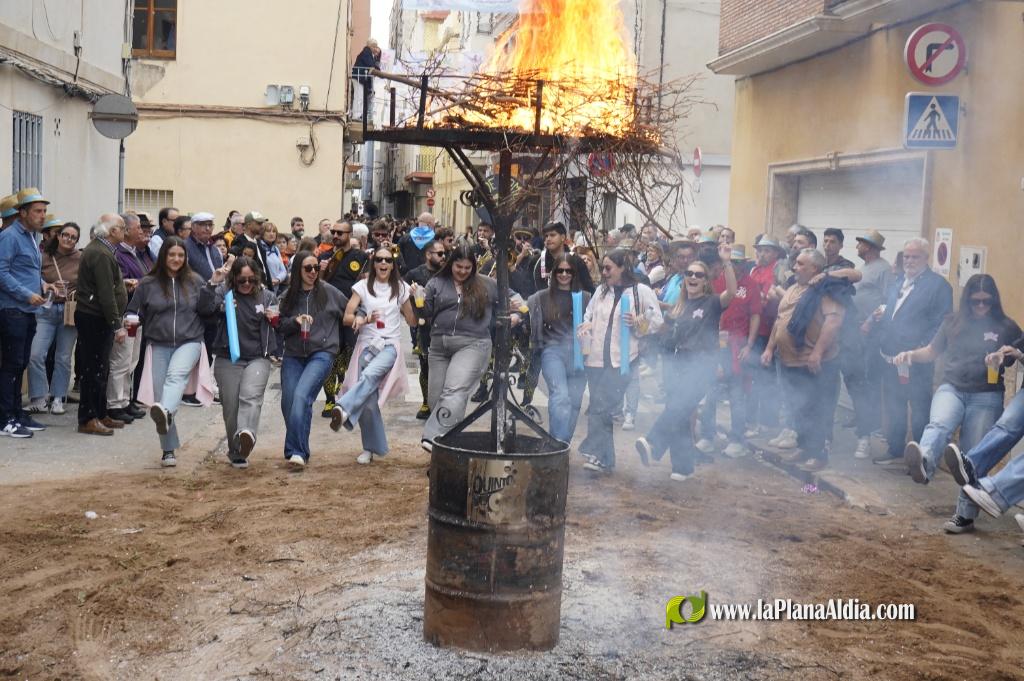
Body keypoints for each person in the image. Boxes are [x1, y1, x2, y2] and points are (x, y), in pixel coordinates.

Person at [894, 274, 1020, 492]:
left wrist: (1011, 353)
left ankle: (965, 513)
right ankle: (924, 462)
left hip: (987, 395)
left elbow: (1020, 351)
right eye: (975, 301)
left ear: (994, 300)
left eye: (986, 301)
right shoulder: (951, 321)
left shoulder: (1006, 325)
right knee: (939, 425)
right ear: (967, 300)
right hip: (951, 388)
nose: (981, 306)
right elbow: (932, 351)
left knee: (972, 456)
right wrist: (910, 355)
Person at [635, 245, 733, 480]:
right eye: (690, 273)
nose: (693, 277)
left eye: (699, 274)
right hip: (677, 365)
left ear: (706, 281)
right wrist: (643, 326)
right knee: (679, 414)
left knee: (678, 408)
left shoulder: (712, 302)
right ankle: (683, 467)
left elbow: (731, 291)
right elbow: (662, 331)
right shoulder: (679, 306)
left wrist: (727, 262)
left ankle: (653, 444)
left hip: (701, 366)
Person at [419, 244, 524, 451]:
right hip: (439, 345)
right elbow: (425, 313)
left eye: (468, 268)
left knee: (454, 390)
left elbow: (516, 298)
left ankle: (433, 440)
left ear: (474, 267)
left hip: (473, 343)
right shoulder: (436, 283)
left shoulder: (486, 284)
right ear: (451, 264)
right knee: (436, 399)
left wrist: (517, 314)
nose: (463, 272)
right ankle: (449, 444)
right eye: (459, 267)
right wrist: (418, 298)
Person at [128, 237, 223, 465]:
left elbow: (207, 309)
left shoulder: (195, 280)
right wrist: (128, 321)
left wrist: (212, 285)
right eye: (172, 255)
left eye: (180, 255)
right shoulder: (148, 283)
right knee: (162, 401)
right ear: (163, 256)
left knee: (175, 379)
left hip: (189, 340)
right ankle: (168, 449)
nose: (176, 259)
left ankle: (166, 415)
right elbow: (133, 311)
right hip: (158, 343)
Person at [576, 249, 663, 472]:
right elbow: (588, 315)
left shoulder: (640, 291)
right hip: (595, 359)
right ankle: (605, 459)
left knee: (603, 407)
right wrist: (586, 326)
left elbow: (657, 322)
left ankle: (597, 453)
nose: (604, 272)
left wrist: (637, 322)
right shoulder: (601, 292)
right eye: (603, 268)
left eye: (608, 268)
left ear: (623, 267)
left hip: (623, 360)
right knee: (597, 407)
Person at [761, 249, 847, 472]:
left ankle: (818, 454)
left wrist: (817, 352)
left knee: (817, 409)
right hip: (789, 361)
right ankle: (804, 447)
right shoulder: (791, 288)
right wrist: (770, 348)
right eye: (795, 263)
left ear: (814, 269)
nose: (794, 267)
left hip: (815, 362)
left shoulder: (825, 290)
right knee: (797, 408)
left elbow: (834, 322)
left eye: (800, 264)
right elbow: (780, 321)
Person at [331, 248, 417, 464]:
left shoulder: (402, 288)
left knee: (369, 375)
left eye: (388, 259)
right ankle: (371, 448)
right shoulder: (362, 287)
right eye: (379, 259)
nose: (384, 263)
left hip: (390, 346)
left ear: (393, 264)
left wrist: (416, 298)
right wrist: (363, 319)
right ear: (373, 262)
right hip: (366, 346)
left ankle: (343, 407)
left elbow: (412, 321)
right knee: (369, 401)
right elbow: (346, 318)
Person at [871, 237, 953, 466]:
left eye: (915, 256)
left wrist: (922, 350)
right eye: (906, 256)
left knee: (919, 409)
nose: (909, 260)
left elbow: (941, 323)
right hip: (890, 357)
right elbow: (893, 312)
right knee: (895, 405)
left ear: (926, 258)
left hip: (917, 360)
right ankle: (895, 449)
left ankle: (921, 457)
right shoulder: (898, 282)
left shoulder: (939, 286)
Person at [278, 251, 349, 467]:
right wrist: (294, 322)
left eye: (316, 268)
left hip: (322, 352)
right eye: (307, 268)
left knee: (302, 396)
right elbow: (279, 325)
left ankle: (297, 452)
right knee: (289, 402)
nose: (312, 272)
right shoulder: (287, 296)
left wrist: (358, 322)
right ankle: (295, 450)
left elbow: (352, 309)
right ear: (297, 270)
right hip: (293, 354)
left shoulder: (329, 292)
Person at [210, 257, 278, 468]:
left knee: (251, 396)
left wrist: (274, 317)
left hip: (258, 356)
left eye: (251, 280)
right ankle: (237, 450)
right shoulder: (224, 293)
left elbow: (279, 320)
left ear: (257, 278)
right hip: (228, 356)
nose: (246, 284)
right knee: (230, 405)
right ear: (233, 279)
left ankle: (247, 434)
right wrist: (222, 306)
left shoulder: (266, 296)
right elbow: (206, 308)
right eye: (241, 280)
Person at [0, 188, 52, 436]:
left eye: (44, 211)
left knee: (19, 364)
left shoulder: (32, 237)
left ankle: (17, 413)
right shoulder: (10, 236)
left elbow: (27, 270)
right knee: (11, 365)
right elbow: (2, 273)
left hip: (27, 310)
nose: (43, 216)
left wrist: (43, 285)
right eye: (37, 211)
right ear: (22, 213)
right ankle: (5, 419)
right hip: (13, 310)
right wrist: (26, 293)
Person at [699, 245, 760, 457]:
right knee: (711, 391)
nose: (735, 266)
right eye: (731, 262)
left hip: (737, 346)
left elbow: (755, 316)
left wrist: (750, 345)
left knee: (736, 393)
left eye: (738, 262)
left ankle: (737, 439)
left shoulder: (751, 285)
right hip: (716, 344)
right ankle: (707, 436)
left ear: (745, 263)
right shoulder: (717, 279)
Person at [528, 254, 592, 443]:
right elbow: (524, 308)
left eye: (569, 271)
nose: (564, 274)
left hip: (580, 353)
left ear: (575, 273)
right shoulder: (541, 297)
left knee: (574, 402)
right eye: (560, 270)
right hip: (552, 350)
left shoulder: (586, 298)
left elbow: (599, 319)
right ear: (554, 272)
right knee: (560, 396)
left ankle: (561, 443)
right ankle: (556, 445)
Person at [75, 214, 130, 436]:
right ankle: (88, 418)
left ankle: (99, 412)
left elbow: (108, 285)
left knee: (101, 369)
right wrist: (117, 325)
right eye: (122, 228)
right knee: (93, 370)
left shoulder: (103, 250)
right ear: (111, 231)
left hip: (97, 317)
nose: (125, 231)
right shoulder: (99, 252)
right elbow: (105, 293)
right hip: (94, 317)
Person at [27, 219, 81, 416]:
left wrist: (76, 293)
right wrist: (45, 284)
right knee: (36, 355)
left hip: (69, 312)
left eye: (73, 237)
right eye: (65, 235)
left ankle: (58, 398)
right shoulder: (45, 257)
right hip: (46, 310)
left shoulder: (81, 258)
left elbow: (88, 282)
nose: (69, 239)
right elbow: (32, 275)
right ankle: (39, 398)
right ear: (58, 236)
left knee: (63, 357)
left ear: (76, 241)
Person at [850, 229, 894, 457]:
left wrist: (869, 322)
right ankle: (861, 423)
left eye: (861, 243)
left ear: (870, 246)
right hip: (856, 330)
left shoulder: (884, 269)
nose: (857, 246)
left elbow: (887, 302)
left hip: (872, 333)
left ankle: (871, 430)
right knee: (857, 378)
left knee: (869, 380)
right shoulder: (863, 268)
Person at [317, 220, 367, 417]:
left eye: (341, 233)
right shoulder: (325, 256)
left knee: (347, 355)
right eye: (334, 232)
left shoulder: (361, 257)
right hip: (329, 314)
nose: (336, 236)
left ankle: (343, 394)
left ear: (349, 234)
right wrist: (322, 269)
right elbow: (317, 284)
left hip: (351, 313)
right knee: (330, 355)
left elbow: (366, 283)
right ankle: (329, 400)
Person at [106, 213, 151, 422]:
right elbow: (119, 282)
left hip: (138, 314)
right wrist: (137, 283)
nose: (140, 231)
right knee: (120, 362)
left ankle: (125, 400)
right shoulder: (118, 254)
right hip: (126, 313)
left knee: (131, 361)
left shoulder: (135, 253)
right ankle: (115, 404)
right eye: (137, 228)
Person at [404, 239, 446, 419]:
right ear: (428, 255)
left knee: (444, 366)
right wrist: (410, 314)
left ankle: (442, 403)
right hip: (425, 328)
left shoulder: (447, 273)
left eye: (444, 253)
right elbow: (401, 295)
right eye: (440, 253)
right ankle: (426, 402)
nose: (444, 256)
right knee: (425, 364)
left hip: (445, 326)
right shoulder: (414, 273)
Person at [230, 211, 273, 287]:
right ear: (249, 225)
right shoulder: (239, 243)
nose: (262, 226)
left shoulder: (259, 243)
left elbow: (264, 268)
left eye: (262, 223)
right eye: (259, 223)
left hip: (264, 289)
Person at [350, 38, 381, 121]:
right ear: (370, 46)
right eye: (374, 46)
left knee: (360, 96)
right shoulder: (366, 52)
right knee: (359, 96)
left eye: (376, 46)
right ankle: (356, 115)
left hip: (359, 78)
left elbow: (373, 65)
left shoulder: (368, 53)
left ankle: (358, 115)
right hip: (358, 77)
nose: (375, 48)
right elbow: (371, 64)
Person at [261, 222, 288, 291]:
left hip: (275, 288)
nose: (271, 234)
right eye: (268, 231)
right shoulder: (259, 247)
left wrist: (278, 279)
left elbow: (283, 271)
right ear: (262, 233)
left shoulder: (275, 249)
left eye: (274, 231)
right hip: (264, 288)